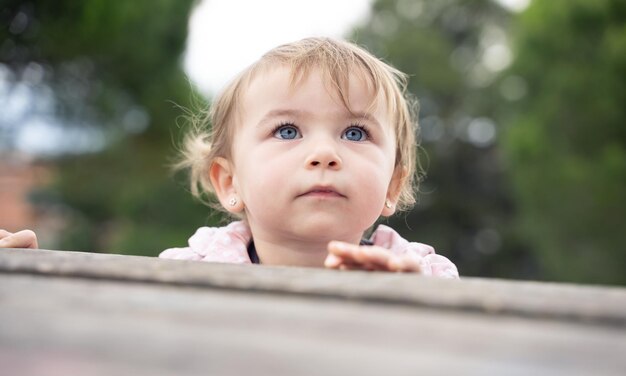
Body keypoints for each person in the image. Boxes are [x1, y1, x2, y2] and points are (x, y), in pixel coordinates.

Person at [0, 37, 458, 279]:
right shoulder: (186, 274)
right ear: (228, 182)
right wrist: (33, 277)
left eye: (355, 132)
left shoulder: (424, 274)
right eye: (287, 130)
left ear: (393, 185)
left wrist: (407, 299)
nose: (324, 154)